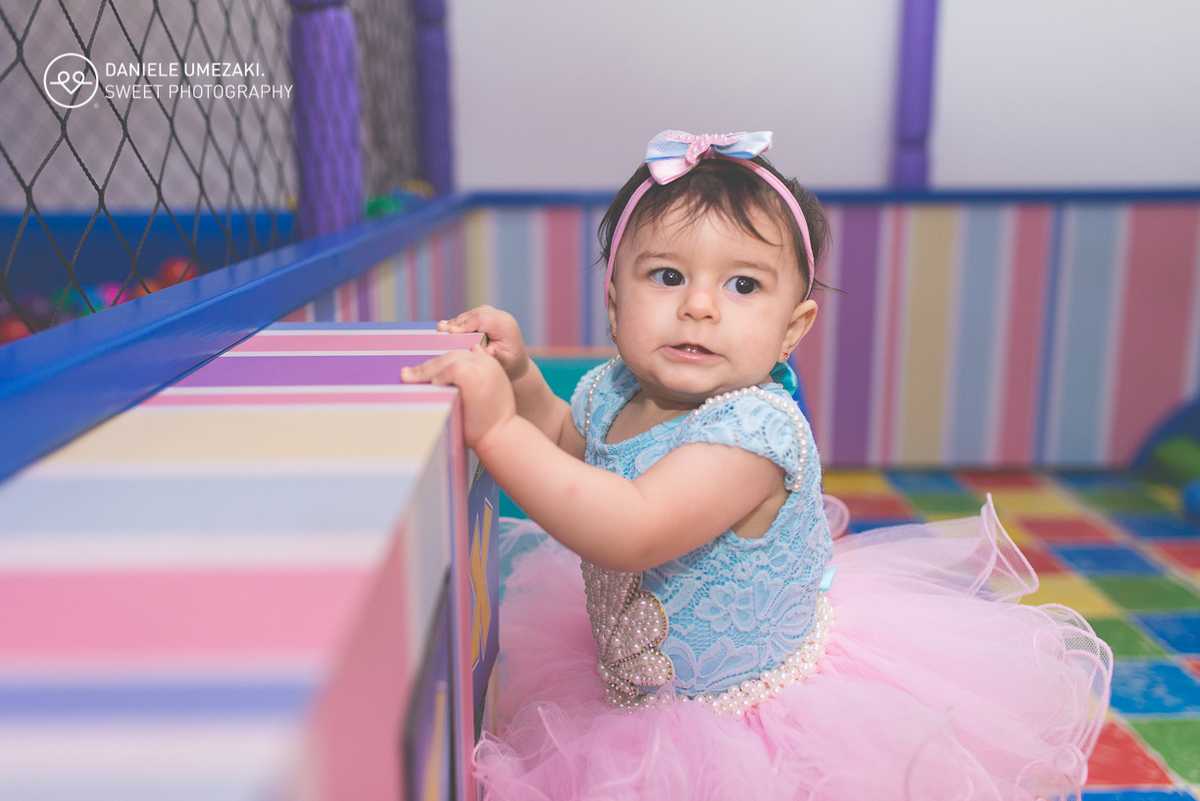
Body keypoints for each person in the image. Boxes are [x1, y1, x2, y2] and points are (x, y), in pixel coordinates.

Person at [400, 130, 1112, 800]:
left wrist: (496, 428)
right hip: (634, 681)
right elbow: (571, 445)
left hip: (747, 719)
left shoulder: (753, 436)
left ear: (791, 329)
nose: (699, 306)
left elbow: (630, 529)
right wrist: (522, 382)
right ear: (615, 304)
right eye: (668, 276)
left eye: (742, 286)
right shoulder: (612, 390)